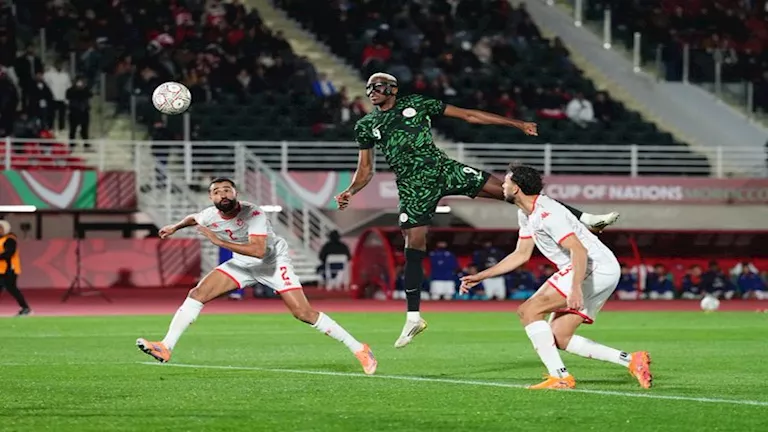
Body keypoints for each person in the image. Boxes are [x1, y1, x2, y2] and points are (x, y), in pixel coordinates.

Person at [335, 72, 620, 348]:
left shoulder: (417, 104)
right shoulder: (366, 125)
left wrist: (516, 123)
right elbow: (366, 170)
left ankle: (585, 218)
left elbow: (469, 115)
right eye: (369, 87)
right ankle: (413, 317)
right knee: (414, 243)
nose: (372, 91)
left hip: (444, 170)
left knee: (516, 193)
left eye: (378, 86)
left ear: (393, 89)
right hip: (413, 186)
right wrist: (351, 190)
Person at [136, 178, 377, 375]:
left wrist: (218, 241)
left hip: (272, 263)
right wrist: (174, 227)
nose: (222, 194)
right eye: (216, 192)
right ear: (211, 198)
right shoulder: (209, 215)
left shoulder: (253, 213)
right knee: (197, 294)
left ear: (236, 193)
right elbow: (193, 218)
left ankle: (359, 348)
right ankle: (166, 346)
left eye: (227, 190)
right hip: (243, 264)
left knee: (304, 314)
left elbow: (259, 251)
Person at [459, 164, 651, 390]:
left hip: (593, 267)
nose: (502, 186)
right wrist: (481, 276)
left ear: (516, 188)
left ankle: (560, 376)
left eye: (506, 182)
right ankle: (632, 360)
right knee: (559, 336)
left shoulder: (548, 214)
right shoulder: (526, 213)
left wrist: (575, 289)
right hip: (592, 267)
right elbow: (521, 255)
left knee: (529, 311)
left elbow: (578, 250)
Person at [0, 220, 32, 316]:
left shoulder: (10, 239)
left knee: (12, 288)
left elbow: (9, 253)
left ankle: (26, 308)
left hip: (10, 269)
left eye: (1, 228)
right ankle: (25, 308)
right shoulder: (1, 239)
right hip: (1, 269)